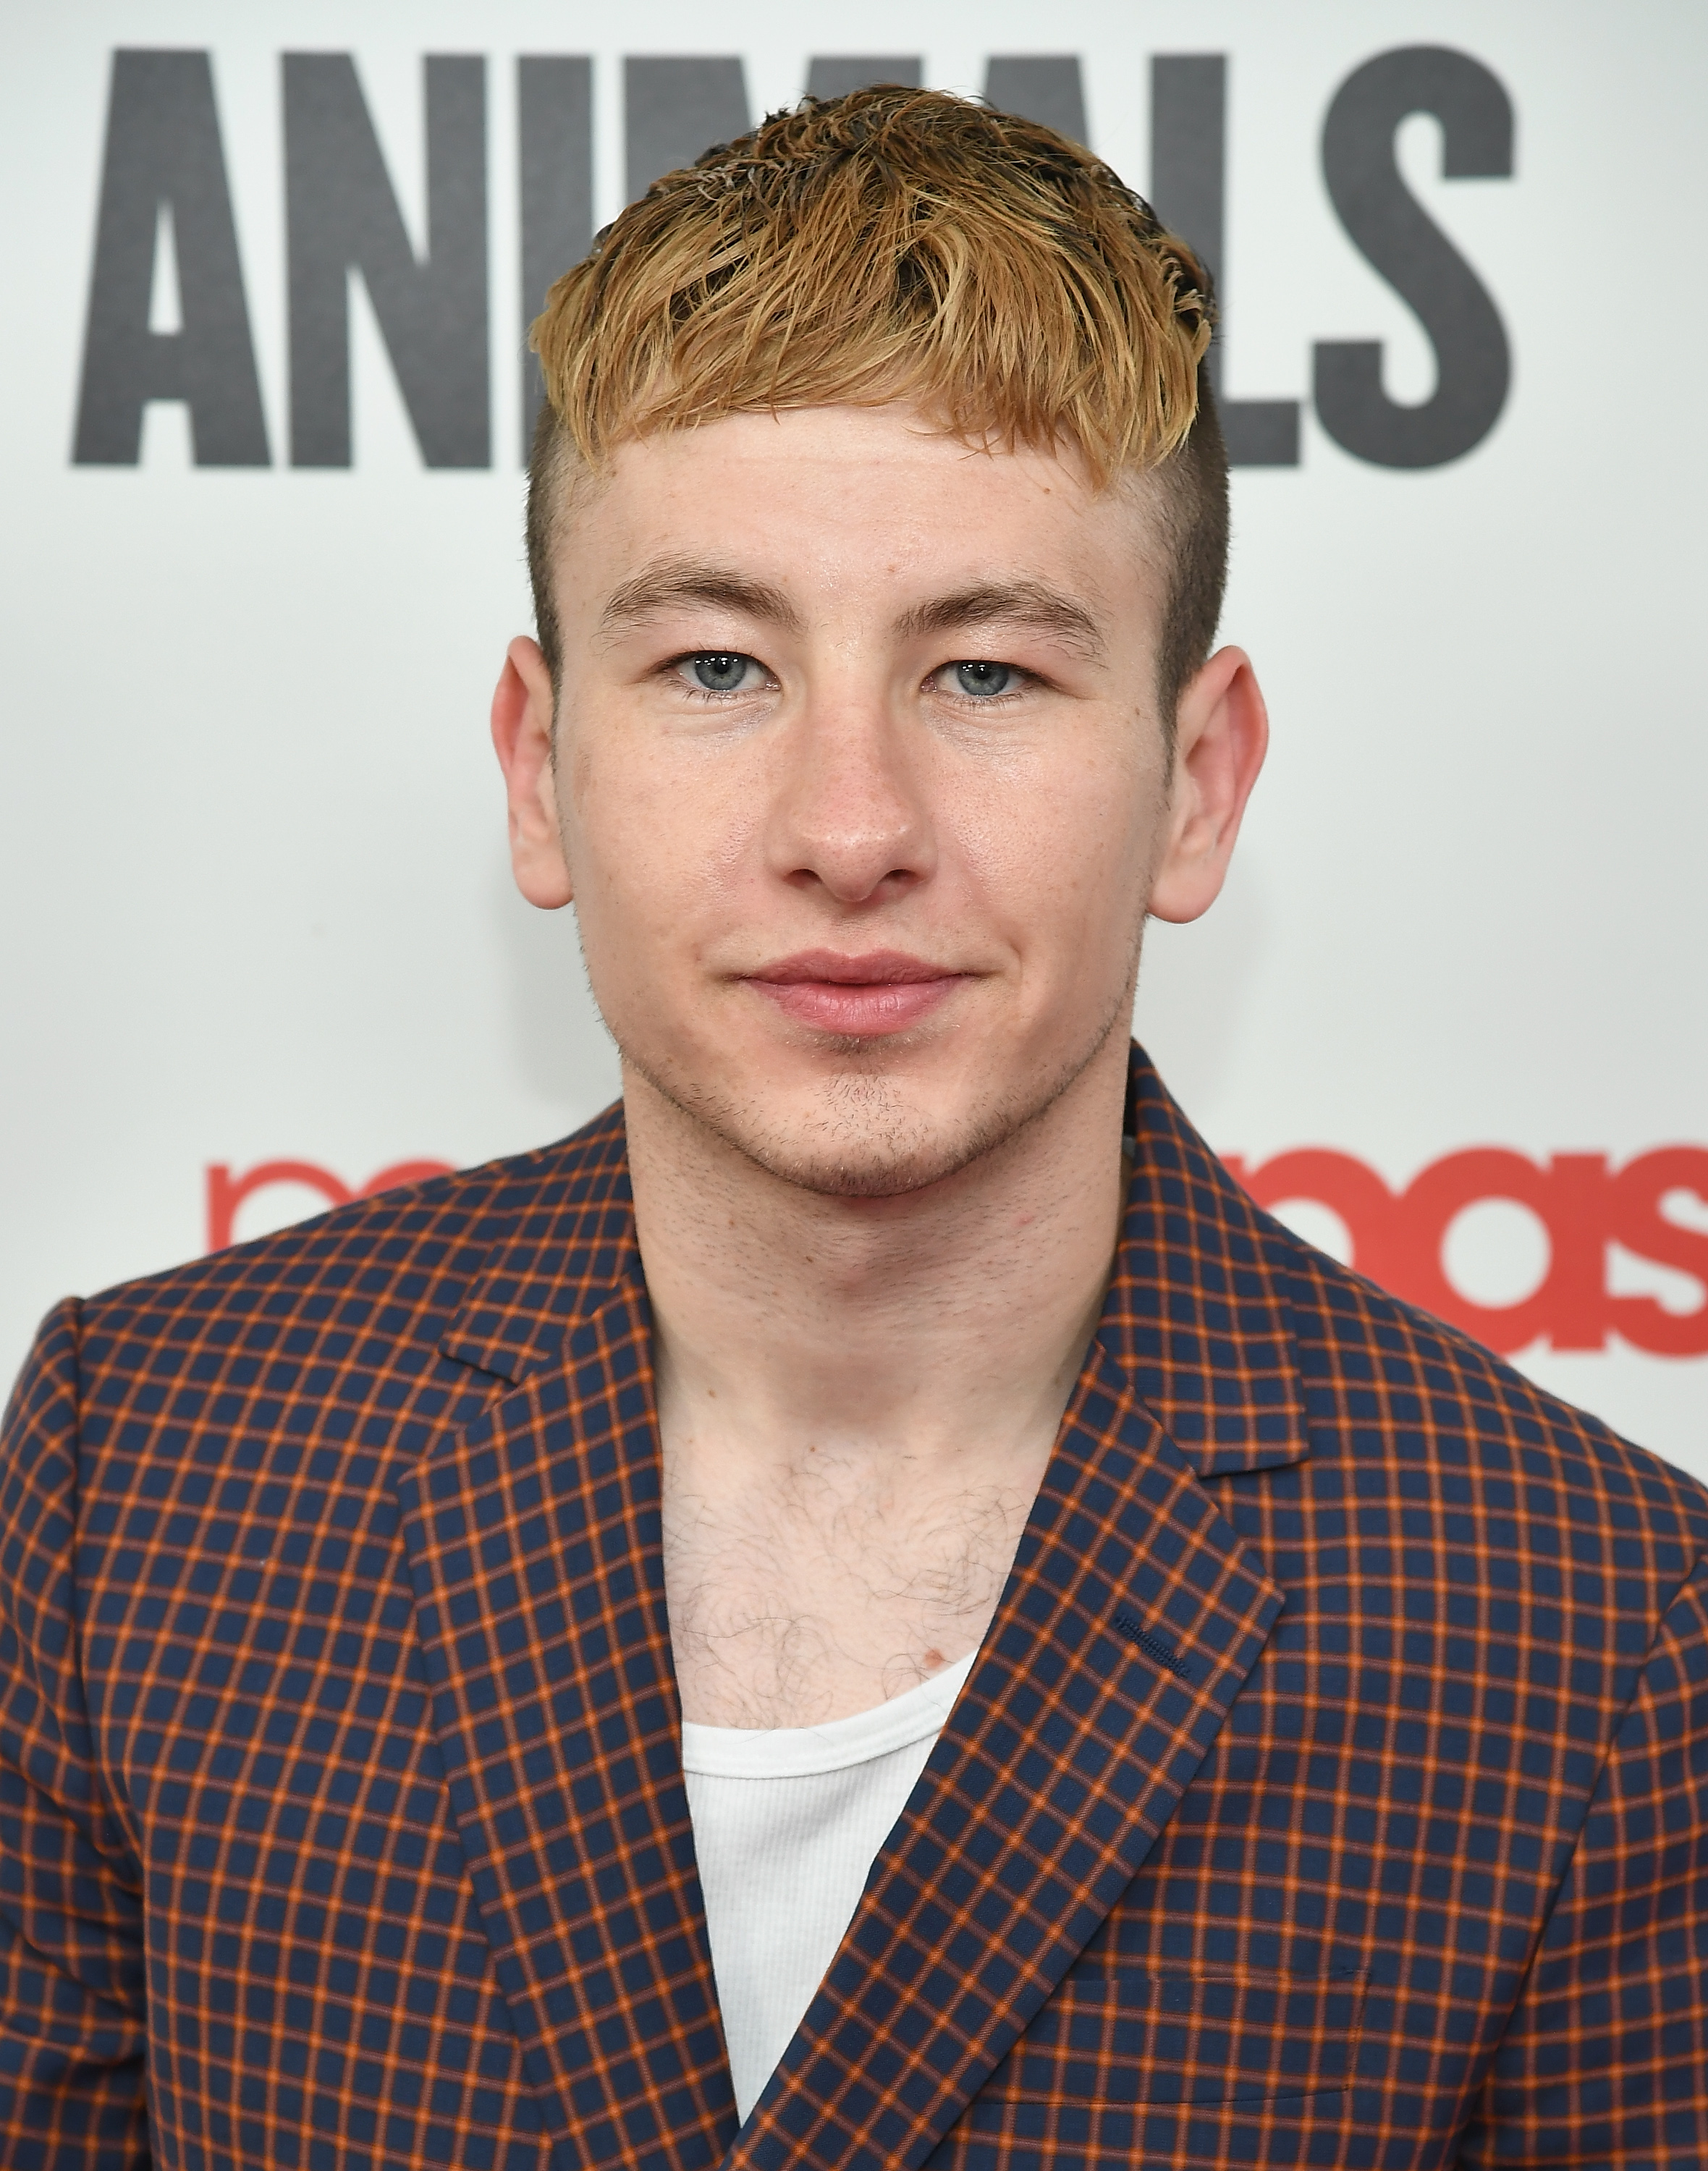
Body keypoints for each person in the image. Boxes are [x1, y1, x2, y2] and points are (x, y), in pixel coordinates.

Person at [1, 85, 1704, 2171]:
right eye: (718, 666)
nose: (849, 830)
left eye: (986, 676)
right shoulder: (149, 1466)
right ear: (540, 772)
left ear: (1197, 783)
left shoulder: (1596, 1633)